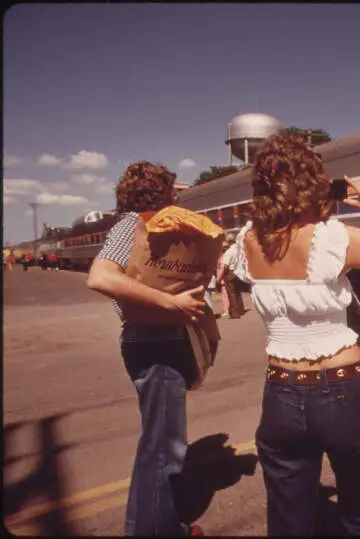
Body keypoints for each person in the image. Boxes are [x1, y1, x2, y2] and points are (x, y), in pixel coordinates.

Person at [235, 133, 360, 536]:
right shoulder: (333, 238)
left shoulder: (246, 240)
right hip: (344, 392)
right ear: (312, 181)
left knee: (287, 517)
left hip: (280, 394)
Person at [86, 161, 207, 537]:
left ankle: (158, 525)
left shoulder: (155, 225)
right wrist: (172, 304)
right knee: (163, 452)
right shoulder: (132, 224)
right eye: (171, 191)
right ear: (162, 193)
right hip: (155, 348)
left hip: (161, 345)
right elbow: (100, 276)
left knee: (158, 446)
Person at [219, 239, 245, 318]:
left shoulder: (228, 253)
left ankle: (235, 313)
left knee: (231, 294)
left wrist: (222, 276)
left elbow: (226, 266)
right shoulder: (238, 251)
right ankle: (240, 310)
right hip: (237, 271)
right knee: (237, 292)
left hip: (230, 272)